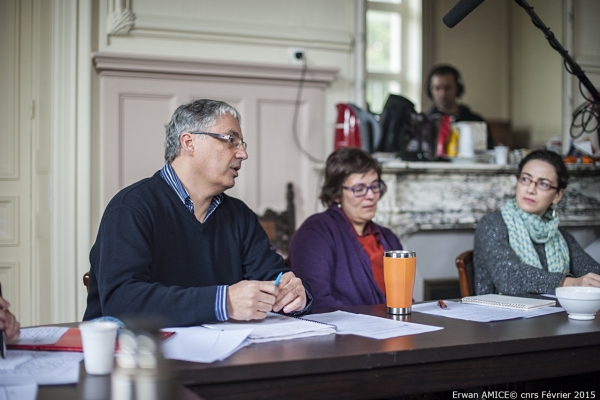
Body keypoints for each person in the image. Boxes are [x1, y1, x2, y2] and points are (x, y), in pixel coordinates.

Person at [84, 99, 311, 326]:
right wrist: (224, 302)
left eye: (242, 143)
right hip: (134, 355)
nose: (243, 153)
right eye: (231, 140)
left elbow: (276, 278)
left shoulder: (239, 216)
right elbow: (122, 302)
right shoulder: (131, 208)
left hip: (222, 354)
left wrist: (296, 295)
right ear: (189, 142)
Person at [474, 149, 600, 295]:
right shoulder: (491, 224)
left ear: (557, 195)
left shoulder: (559, 235)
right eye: (526, 179)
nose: (530, 189)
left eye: (543, 184)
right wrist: (569, 282)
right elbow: (509, 278)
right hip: (499, 314)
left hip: (549, 314)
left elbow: (591, 271)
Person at [288, 147, 402, 308]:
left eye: (375, 186)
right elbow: (317, 301)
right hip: (348, 331)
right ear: (336, 194)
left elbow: (404, 300)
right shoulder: (315, 233)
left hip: (394, 328)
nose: (370, 196)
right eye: (359, 189)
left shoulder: (389, 237)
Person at [426, 64, 493, 150]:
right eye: (437, 88)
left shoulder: (477, 121)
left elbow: (489, 153)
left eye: (448, 87)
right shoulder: (425, 124)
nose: (443, 94)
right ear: (430, 90)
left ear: (458, 88)